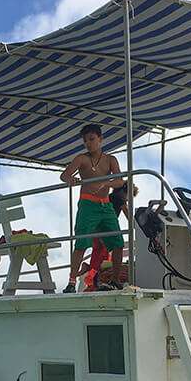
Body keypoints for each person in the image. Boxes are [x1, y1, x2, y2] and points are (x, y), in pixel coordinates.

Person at [60, 124, 126, 293]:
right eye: (85, 141)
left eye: (91, 139)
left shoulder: (111, 159)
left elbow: (121, 181)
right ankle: (71, 282)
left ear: (100, 139)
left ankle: (115, 280)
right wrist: (71, 180)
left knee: (117, 242)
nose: (89, 144)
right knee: (82, 242)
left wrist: (107, 183)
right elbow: (64, 175)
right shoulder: (81, 158)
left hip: (105, 205)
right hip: (87, 204)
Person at [83, 182, 138, 291]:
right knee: (108, 253)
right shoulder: (119, 199)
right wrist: (138, 225)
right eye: (129, 197)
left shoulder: (109, 197)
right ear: (124, 192)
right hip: (105, 229)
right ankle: (112, 280)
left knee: (99, 256)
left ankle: (92, 277)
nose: (128, 200)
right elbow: (129, 217)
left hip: (96, 229)